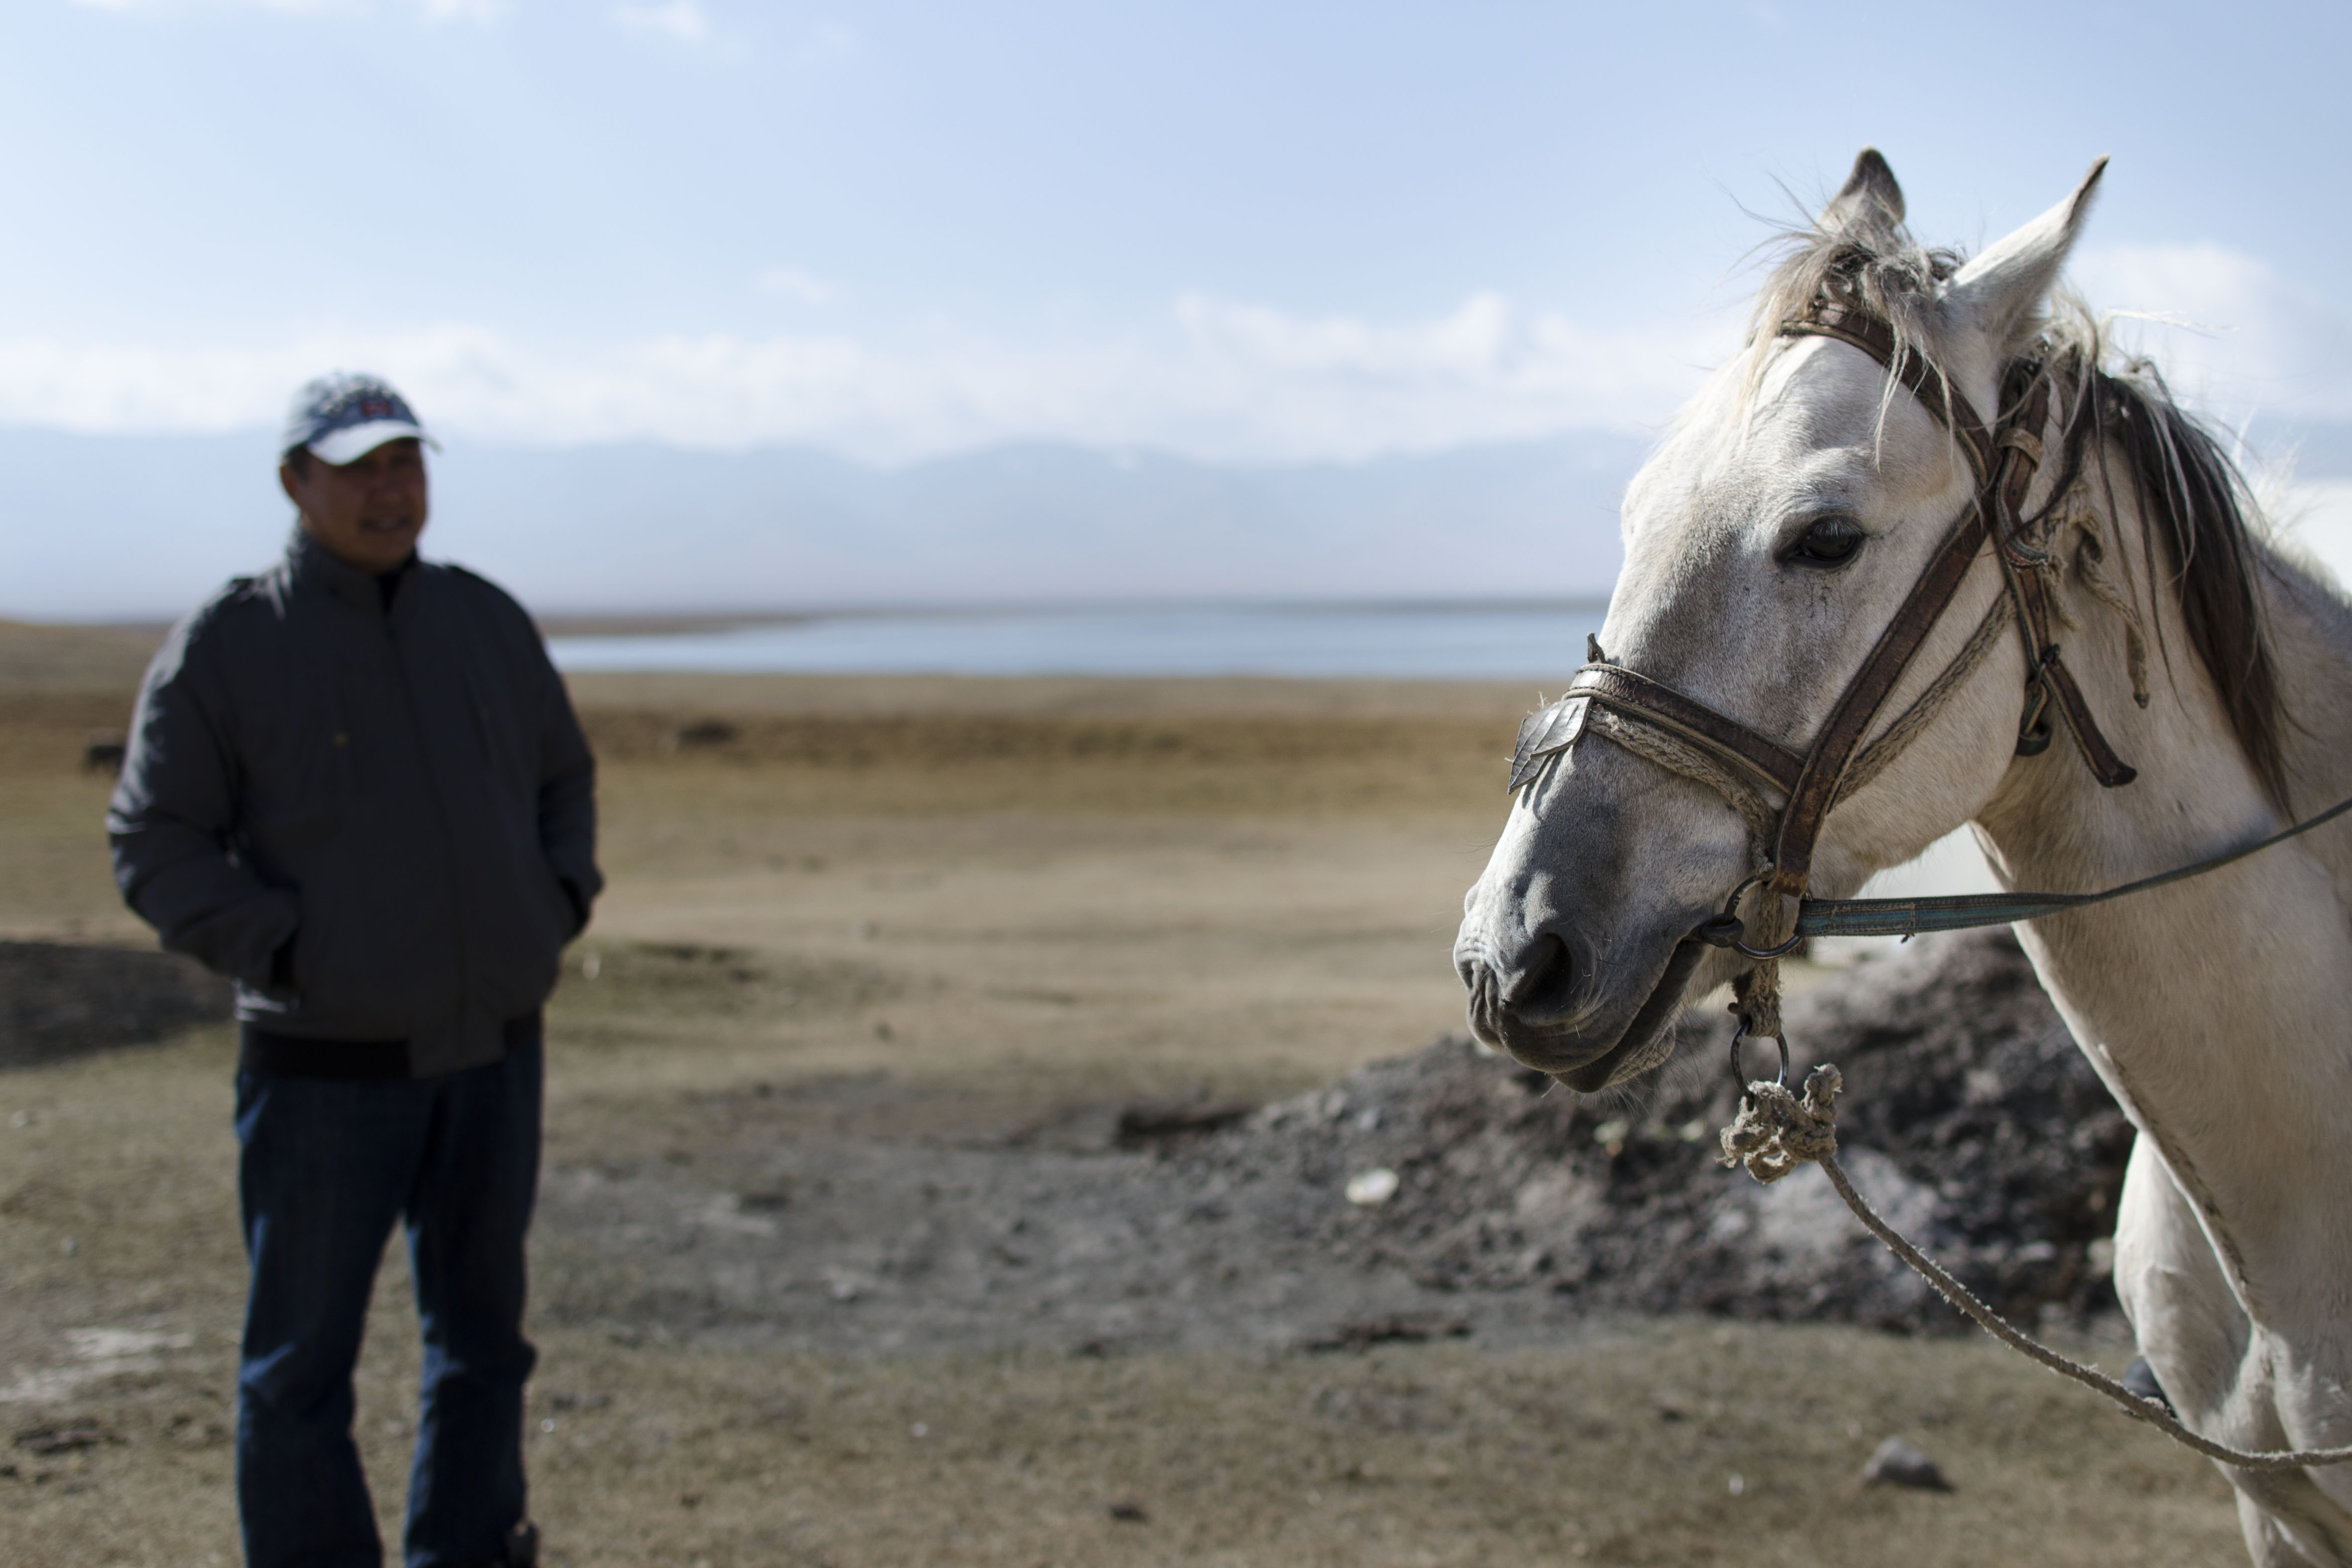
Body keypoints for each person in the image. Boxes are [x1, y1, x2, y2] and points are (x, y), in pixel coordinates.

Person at [108, 374, 600, 1568]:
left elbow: (560, 778)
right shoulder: (230, 647)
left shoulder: (484, 621)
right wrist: (287, 947)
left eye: (407, 464)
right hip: (326, 1068)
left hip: (492, 1051)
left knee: (485, 1342)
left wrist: (551, 902)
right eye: (361, 467)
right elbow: (152, 839)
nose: (391, 490)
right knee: (299, 1367)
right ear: (296, 482)